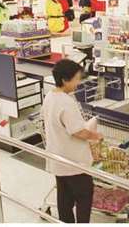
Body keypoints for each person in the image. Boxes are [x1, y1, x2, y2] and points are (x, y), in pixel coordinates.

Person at [42, 59, 103, 223]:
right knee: (84, 198)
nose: (78, 82)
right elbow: (78, 132)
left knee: (64, 199)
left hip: (57, 158)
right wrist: (96, 136)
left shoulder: (50, 96)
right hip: (74, 162)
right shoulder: (66, 102)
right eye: (76, 79)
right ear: (64, 80)